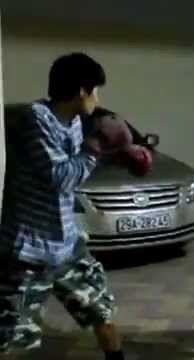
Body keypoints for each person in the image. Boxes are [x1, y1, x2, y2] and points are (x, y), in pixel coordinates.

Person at [0, 53, 126, 360]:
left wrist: (121, 152)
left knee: (102, 312)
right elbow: (61, 176)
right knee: (13, 341)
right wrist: (97, 147)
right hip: (28, 251)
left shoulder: (74, 123)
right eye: (96, 90)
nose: (98, 98)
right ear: (83, 90)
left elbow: (78, 169)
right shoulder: (36, 118)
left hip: (68, 246)